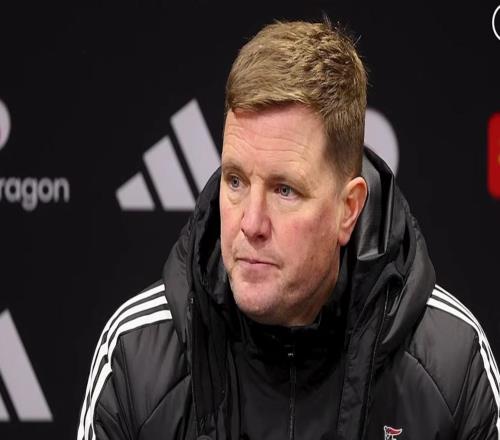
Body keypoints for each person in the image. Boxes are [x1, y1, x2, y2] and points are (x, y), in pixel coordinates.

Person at [77, 20, 500, 440]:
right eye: (235, 181)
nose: (251, 224)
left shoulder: (453, 361)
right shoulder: (135, 354)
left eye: (285, 190)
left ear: (348, 209)